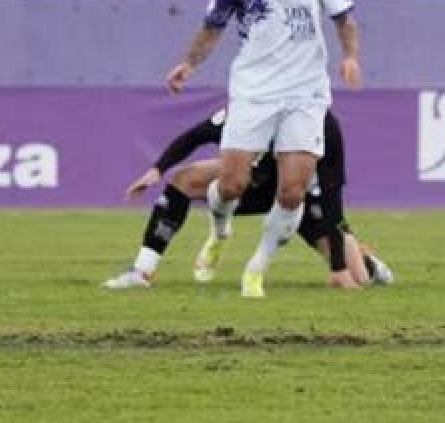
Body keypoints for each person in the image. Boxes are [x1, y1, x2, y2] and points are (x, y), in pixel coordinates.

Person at [165, 0, 362, 298]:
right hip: (254, 90)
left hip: (306, 93)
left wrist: (349, 57)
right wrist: (189, 63)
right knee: (232, 184)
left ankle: (256, 270)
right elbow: (212, 29)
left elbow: (343, 18)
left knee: (292, 191)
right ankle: (220, 232)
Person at [102, 107, 394, 290]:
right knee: (184, 179)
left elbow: (331, 195)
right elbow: (195, 136)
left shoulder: (323, 124)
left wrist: (340, 266)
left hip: (302, 199)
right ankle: (142, 271)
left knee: (358, 279)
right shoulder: (248, 108)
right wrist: (157, 169)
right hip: (251, 183)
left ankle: (367, 263)